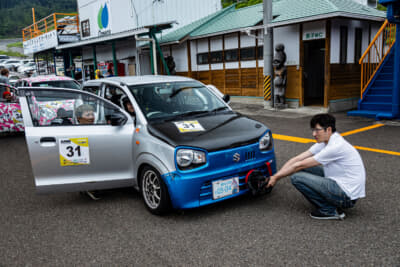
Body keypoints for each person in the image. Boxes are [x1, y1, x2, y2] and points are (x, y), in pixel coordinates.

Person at [266, 113, 366, 220]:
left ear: (328, 130)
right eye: (313, 130)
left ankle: (328, 210)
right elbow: (296, 159)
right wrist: (275, 176)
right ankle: (331, 203)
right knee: (302, 167)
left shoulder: (335, 147)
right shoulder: (326, 141)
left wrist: (276, 178)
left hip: (347, 197)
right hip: (340, 183)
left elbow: (298, 165)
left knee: (297, 178)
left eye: (317, 130)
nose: (314, 134)